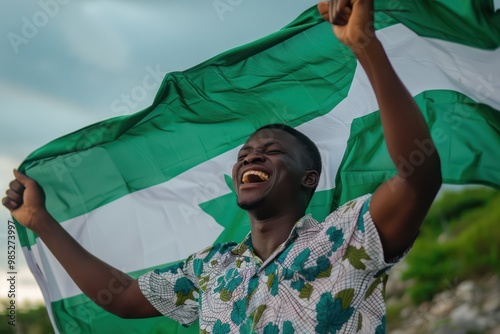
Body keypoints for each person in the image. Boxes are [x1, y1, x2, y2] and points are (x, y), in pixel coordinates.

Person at [3, 1, 442, 332]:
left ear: (310, 178)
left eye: (271, 151)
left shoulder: (346, 237)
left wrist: (365, 47)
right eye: (244, 154)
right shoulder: (210, 270)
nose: (250, 156)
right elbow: (122, 297)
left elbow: (417, 176)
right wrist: (39, 220)